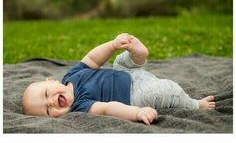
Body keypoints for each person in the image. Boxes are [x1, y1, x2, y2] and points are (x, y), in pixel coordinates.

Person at [22, 33, 216, 125]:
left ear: (51, 81)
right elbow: (109, 108)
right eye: (48, 110)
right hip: (136, 96)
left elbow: (91, 59)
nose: (51, 101)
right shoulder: (81, 106)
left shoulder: (70, 76)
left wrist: (113, 45)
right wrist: (137, 112)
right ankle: (195, 104)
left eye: (47, 93)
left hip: (126, 74)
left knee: (121, 61)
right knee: (167, 90)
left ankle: (138, 55)